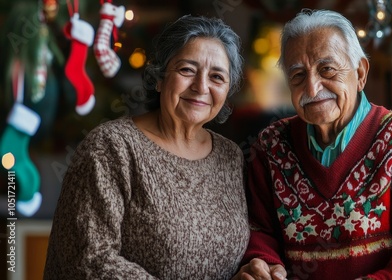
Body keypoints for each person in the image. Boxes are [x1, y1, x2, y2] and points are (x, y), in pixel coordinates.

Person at [233, 9, 392, 280]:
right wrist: (265, 263)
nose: (311, 88)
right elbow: (260, 230)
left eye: (327, 69)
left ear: (361, 73)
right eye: (297, 75)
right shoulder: (270, 145)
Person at [44, 15, 250, 279]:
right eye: (187, 70)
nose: (201, 87)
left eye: (217, 77)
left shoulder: (230, 156)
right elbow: (90, 259)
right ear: (160, 78)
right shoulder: (112, 147)